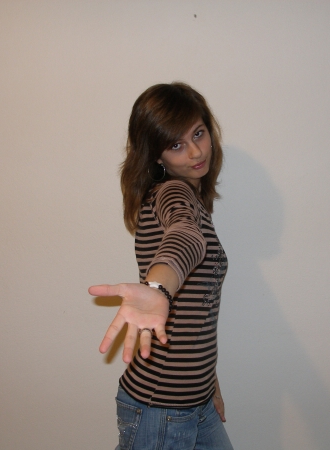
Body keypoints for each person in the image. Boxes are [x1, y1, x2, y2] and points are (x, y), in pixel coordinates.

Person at [89, 82, 233, 450]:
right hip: (161, 408)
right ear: (157, 156)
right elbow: (185, 236)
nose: (196, 151)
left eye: (198, 134)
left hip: (194, 401)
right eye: (176, 145)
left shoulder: (194, 201)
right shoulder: (173, 192)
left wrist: (209, 383)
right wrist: (158, 289)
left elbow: (195, 315)